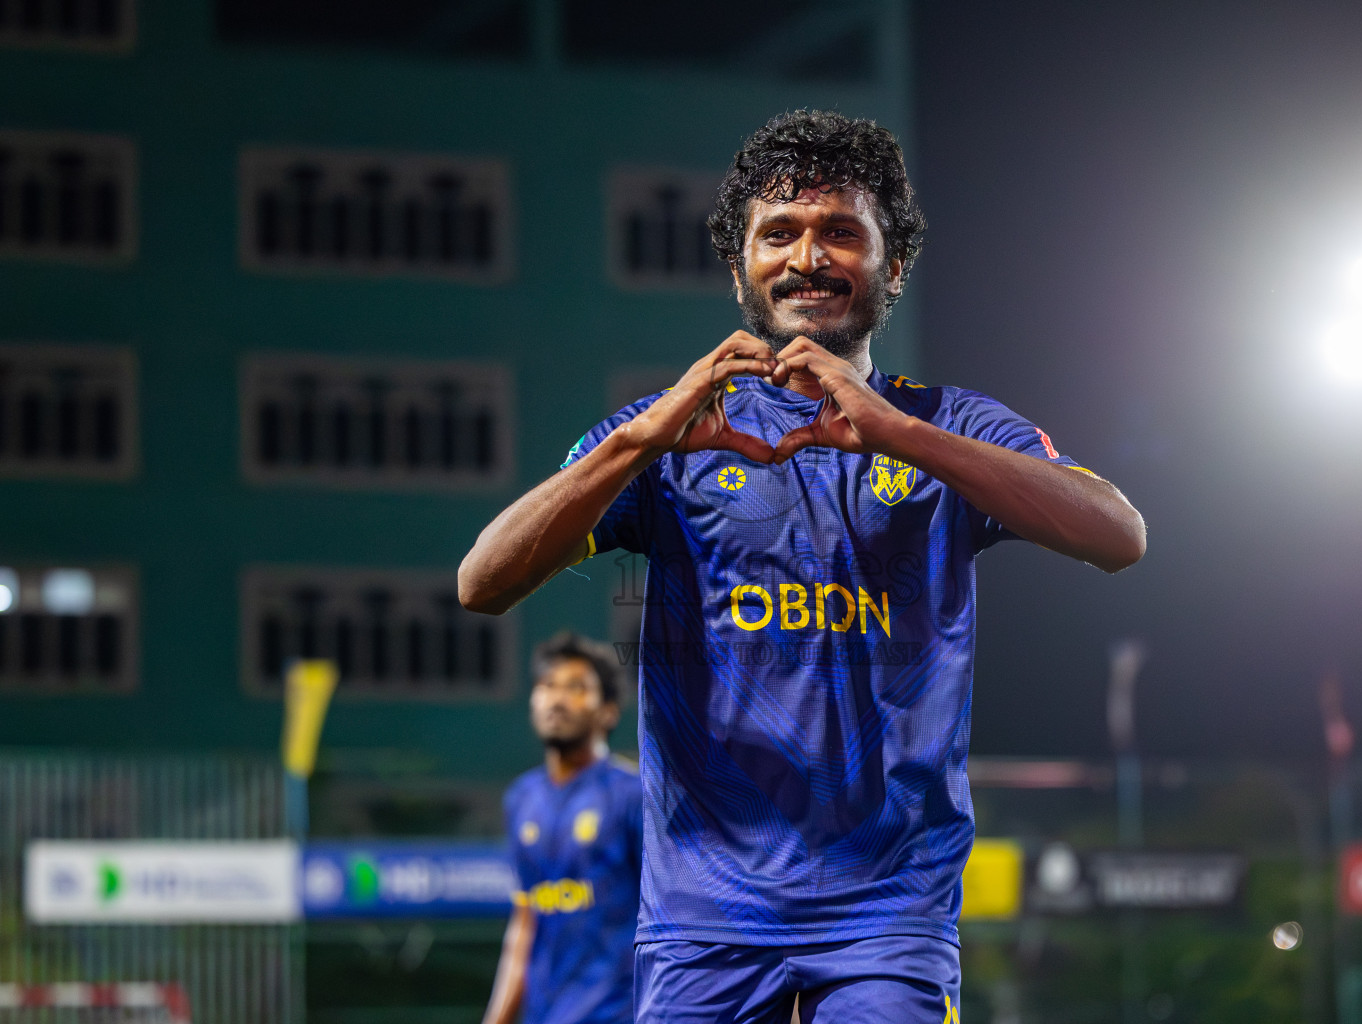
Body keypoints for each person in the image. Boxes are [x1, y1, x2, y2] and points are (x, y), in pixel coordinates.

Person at [461, 110, 1145, 1024]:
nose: (806, 257)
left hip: (886, 912)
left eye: (840, 232)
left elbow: (1117, 534)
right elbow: (483, 582)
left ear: (891, 264)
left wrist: (899, 432)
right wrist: (639, 440)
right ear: (740, 264)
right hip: (704, 916)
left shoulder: (950, 428)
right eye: (777, 233)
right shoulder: (667, 437)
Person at [483, 631, 641, 1024]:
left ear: (607, 711)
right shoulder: (521, 798)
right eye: (547, 685)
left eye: (576, 687)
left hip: (621, 1013)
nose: (556, 698)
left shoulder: (633, 795)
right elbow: (524, 923)